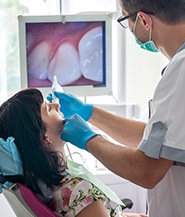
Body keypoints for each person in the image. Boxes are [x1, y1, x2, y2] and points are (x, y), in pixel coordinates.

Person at [51, 0, 185, 217]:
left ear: (143, 20)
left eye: (126, 20)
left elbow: (147, 171)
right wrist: (89, 113)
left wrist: (88, 139)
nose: (129, 29)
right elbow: (157, 143)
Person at [0, 88, 147, 217]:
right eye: (48, 109)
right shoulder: (77, 190)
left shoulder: (45, 187)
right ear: (43, 137)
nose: (57, 105)